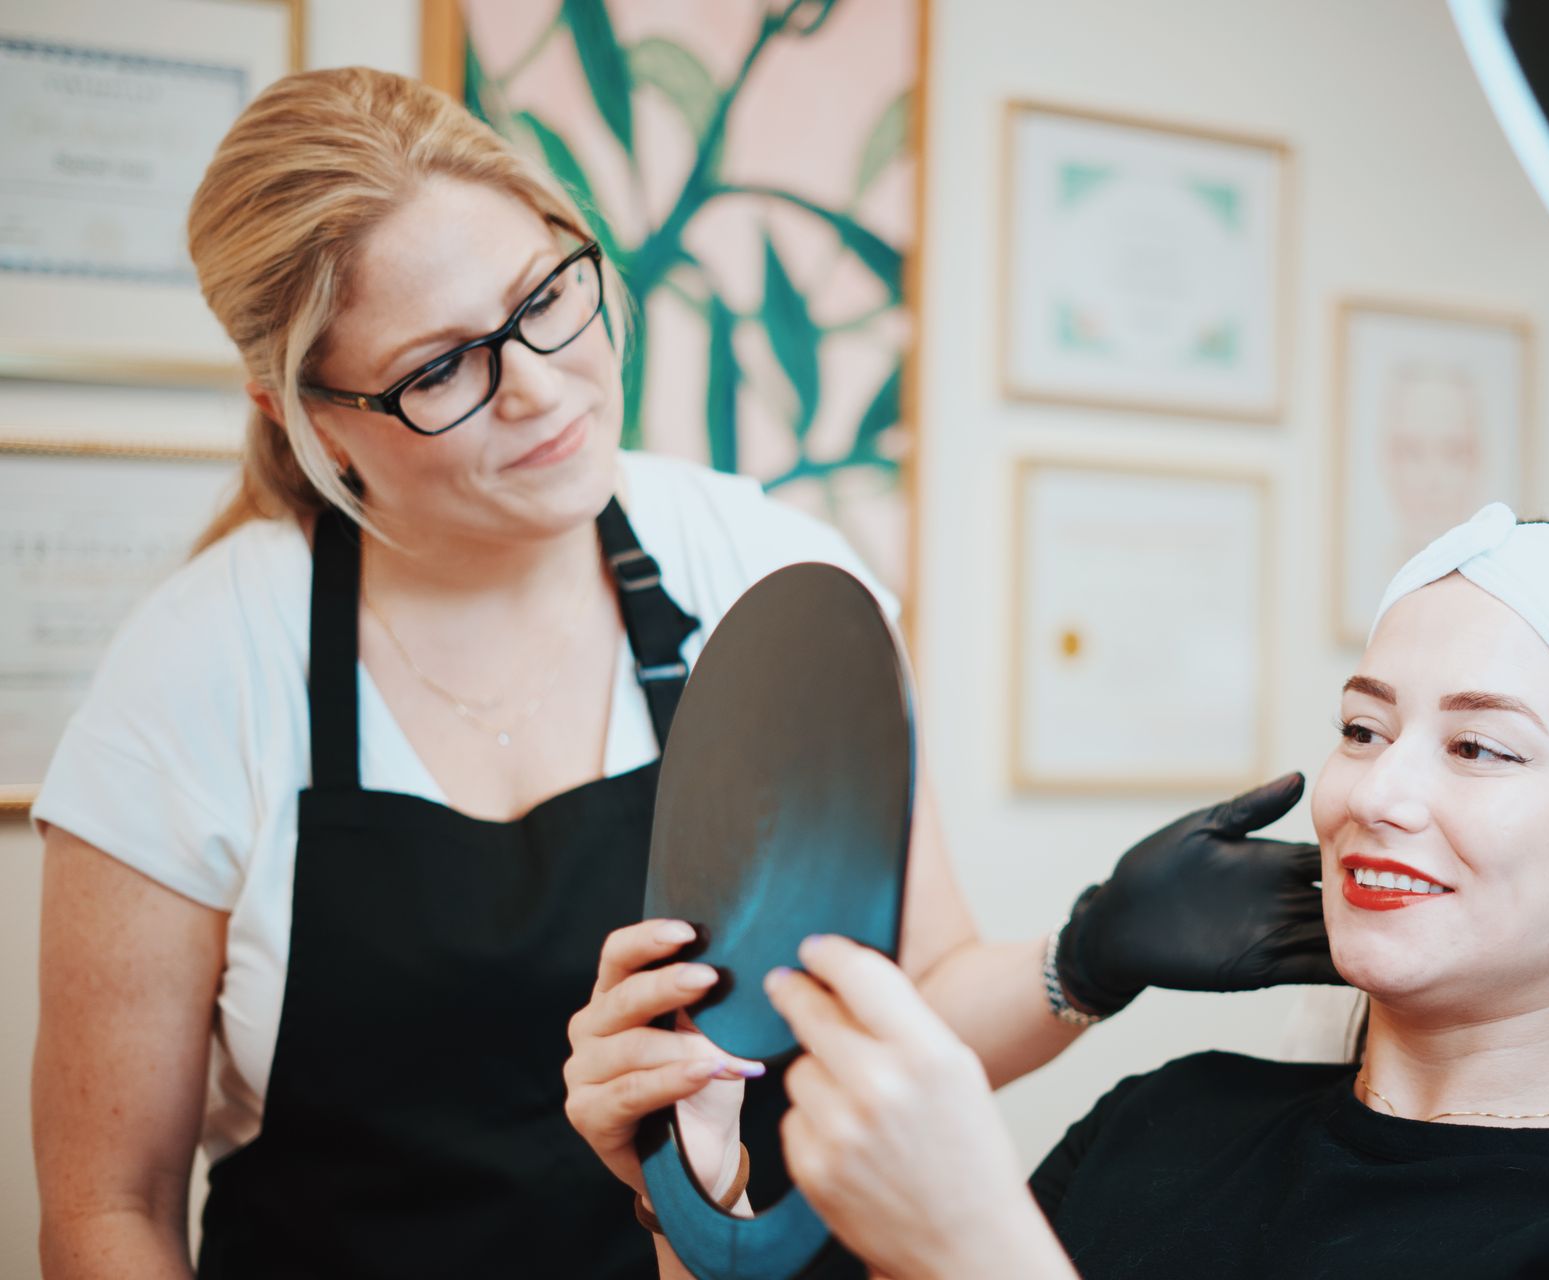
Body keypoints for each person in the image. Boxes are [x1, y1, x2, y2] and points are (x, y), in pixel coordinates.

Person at [29, 68, 1334, 1280]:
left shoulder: (762, 575)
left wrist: (1092, 950)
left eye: (544, 299)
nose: (539, 388)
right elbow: (107, 1205)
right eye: (440, 368)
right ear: (305, 412)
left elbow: (909, 1011)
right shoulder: (204, 669)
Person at [639, 505, 1549, 1279]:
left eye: (1480, 746)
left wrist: (979, 1249)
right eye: (1364, 728)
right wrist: (692, 1187)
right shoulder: (1167, 1119)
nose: (1377, 792)